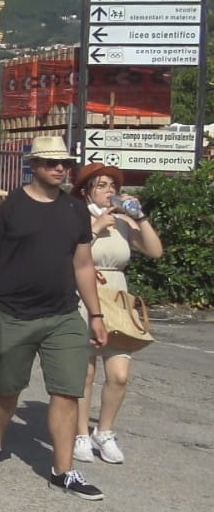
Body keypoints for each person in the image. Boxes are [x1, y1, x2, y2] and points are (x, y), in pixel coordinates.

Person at [0, 137, 109, 500]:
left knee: (66, 390)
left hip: (63, 315)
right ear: (33, 165)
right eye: (50, 162)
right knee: (8, 386)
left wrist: (96, 314)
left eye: (64, 163)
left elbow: (83, 263)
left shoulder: (76, 210)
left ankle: (65, 470)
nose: (59, 168)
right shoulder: (8, 205)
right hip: (14, 314)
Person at [70, 163, 162, 465]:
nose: (109, 191)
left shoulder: (123, 221)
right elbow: (66, 253)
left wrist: (140, 217)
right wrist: (94, 229)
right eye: (101, 185)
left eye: (113, 186)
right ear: (86, 191)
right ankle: (80, 433)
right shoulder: (76, 216)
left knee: (119, 374)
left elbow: (155, 251)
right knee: (84, 370)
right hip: (84, 294)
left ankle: (104, 431)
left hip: (117, 294)